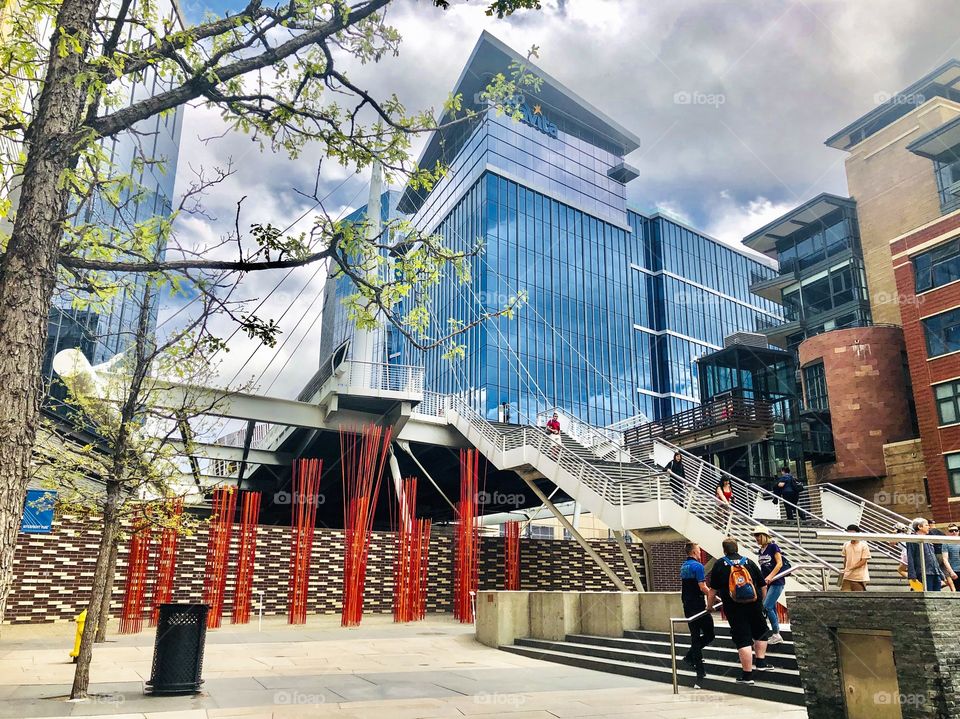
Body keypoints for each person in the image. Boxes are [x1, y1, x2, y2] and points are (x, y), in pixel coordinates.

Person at [707, 537, 771, 685]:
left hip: (733, 607)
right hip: (754, 604)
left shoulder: (719, 564)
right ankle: (761, 663)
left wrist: (709, 606)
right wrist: (763, 603)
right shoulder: (748, 562)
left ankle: (747, 676)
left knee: (743, 639)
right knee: (760, 631)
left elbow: (712, 591)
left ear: (724, 550)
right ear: (737, 548)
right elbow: (762, 584)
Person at [679, 542, 714, 682]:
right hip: (698, 605)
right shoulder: (698, 566)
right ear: (694, 552)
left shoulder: (684, 566)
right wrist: (714, 598)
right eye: (699, 551)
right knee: (710, 634)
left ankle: (697, 666)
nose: (700, 553)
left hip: (687, 604)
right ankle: (690, 657)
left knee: (695, 635)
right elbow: (702, 587)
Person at [753, 525, 786, 645]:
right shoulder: (760, 550)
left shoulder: (773, 547)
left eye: (758, 535)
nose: (756, 538)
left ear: (764, 536)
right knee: (770, 606)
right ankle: (776, 633)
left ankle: (776, 633)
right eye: (755, 536)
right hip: (767, 582)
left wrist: (770, 577)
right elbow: (763, 568)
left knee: (767, 606)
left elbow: (779, 564)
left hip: (777, 581)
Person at [907, 518, 943, 592]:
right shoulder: (912, 539)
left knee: (938, 595)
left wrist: (940, 572)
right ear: (919, 527)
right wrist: (912, 574)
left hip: (935, 572)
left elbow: (933, 557)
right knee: (928, 594)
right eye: (926, 525)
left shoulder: (928, 539)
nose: (929, 527)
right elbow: (910, 556)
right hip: (924, 572)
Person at [840, 524, 871, 591]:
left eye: (853, 534)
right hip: (847, 576)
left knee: (859, 596)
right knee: (844, 595)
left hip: (859, 577)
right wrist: (846, 569)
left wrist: (850, 568)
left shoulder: (863, 545)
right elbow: (845, 559)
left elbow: (863, 561)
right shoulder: (846, 544)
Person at [928, 526, 955, 591]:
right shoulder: (939, 531)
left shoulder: (930, 532)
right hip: (942, 553)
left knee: (936, 571)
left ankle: (943, 582)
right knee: (946, 573)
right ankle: (953, 590)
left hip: (935, 554)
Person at [945, 524, 960, 589]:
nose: (954, 532)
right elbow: (945, 559)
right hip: (955, 570)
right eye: (951, 531)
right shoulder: (946, 543)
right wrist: (951, 572)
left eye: (956, 530)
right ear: (948, 532)